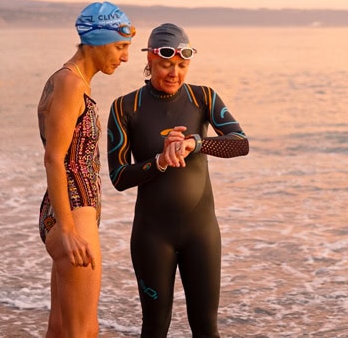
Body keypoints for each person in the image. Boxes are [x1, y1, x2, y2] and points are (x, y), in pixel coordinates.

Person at [107, 23, 250, 337]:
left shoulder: (204, 97)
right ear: (150, 62)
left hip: (202, 234)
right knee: (155, 327)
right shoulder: (125, 108)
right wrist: (159, 161)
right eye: (166, 65)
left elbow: (241, 143)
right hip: (152, 237)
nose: (174, 73)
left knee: (206, 329)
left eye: (182, 65)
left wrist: (196, 143)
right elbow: (118, 176)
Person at [37, 1, 135, 337]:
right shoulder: (70, 83)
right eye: (120, 47)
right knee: (84, 331)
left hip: (70, 210)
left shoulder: (70, 80)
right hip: (73, 214)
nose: (125, 57)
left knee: (62, 328)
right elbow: (54, 157)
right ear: (97, 41)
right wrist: (67, 229)